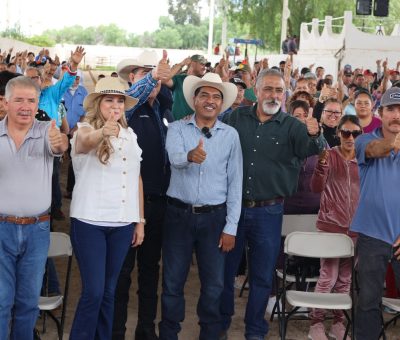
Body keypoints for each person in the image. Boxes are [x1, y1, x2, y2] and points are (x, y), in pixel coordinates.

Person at [221, 69, 325, 340]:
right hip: (233, 209)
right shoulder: (235, 118)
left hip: (270, 211)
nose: (274, 95)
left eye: (279, 90)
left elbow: (314, 147)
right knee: (225, 272)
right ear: (256, 90)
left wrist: (315, 133)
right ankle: (219, 326)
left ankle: (255, 331)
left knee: (262, 277)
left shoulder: (293, 126)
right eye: (268, 89)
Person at [159, 73, 243, 340]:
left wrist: (231, 226)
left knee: (215, 285)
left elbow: (235, 182)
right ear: (194, 100)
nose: (210, 101)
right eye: (204, 95)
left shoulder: (230, 135)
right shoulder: (176, 129)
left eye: (216, 97)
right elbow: (174, 159)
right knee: (172, 283)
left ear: (222, 104)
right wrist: (189, 157)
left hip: (214, 218)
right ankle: (169, 334)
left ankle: (209, 334)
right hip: (178, 216)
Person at [69, 77, 145, 339]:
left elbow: (136, 178)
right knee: (94, 291)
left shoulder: (130, 135)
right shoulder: (84, 128)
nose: (115, 105)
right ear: (98, 103)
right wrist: (104, 131)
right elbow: (84, 143)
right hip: (90, 221)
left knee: (110, 291)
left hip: (122, 223)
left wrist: (140, 220)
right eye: (109, 100)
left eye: (120, 100)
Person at [0, 76, 68, 340]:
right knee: (2, 302)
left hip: (37, 230)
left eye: (31, 100)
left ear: (38, 102)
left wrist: (59, 140)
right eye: (19, 100)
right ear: (6, 102)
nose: (26, 106)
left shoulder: (45, 130)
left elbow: (60, 144)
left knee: (28, 303)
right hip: (2, 228)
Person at [113, 51, 173, 340]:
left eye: (156, 72)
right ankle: (115, 332)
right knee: (122, 274)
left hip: (157, 205)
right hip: (126, 205)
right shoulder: (126, 110)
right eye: (145, 72)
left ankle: (146, 331)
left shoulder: (164, 111)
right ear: (132, 78)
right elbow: (131, 101)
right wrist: (152, 77)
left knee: (150, 272)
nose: (155, 78)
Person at [350, 87, 400, 340]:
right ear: (381, 113)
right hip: (372, 235)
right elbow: (377, 151)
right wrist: (394, 142)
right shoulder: (364, 140)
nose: (396, 115)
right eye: (391, 109)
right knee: (368, 302)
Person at [308, 115, 362, 340]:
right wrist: (320, 167)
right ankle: (316, 323)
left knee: (345, 280)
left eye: (356, 133)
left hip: (356, 229)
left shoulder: (364, 158)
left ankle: (338, 323)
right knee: (328, 277)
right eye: (346, 133)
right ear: (339, 133)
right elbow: (315, 187)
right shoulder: (329, 155)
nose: (351, 138)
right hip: (330, 226)